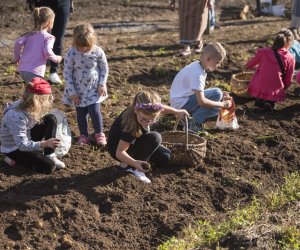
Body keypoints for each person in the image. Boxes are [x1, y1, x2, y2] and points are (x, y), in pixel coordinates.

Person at [107, 90, 189, 183]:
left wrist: (177, 111)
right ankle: (130, 167)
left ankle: (140, 158)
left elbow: (161, 108)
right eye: (144, 119)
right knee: (155, 137)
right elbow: (119, 152)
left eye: (152, 120)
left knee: (165, 157)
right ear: (135, 110)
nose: (147, 123)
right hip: (119, 150)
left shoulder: (147, 110)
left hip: (135, 142)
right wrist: (135, 163)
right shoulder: (131, 125)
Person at [0, 77, 65, 173]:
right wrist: (45, 143)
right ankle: (7, 156)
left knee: (50, 118)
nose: (49, 101)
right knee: (49, 167)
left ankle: (49, 154)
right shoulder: (16, 116)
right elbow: (22, 145)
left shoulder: (29, 105)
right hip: (15, 147)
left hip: (27, 135)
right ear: (38, 100)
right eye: (46, 99)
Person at [62, 23, 109, 146]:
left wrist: (102, 84)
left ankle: (99, 134)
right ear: (75, 41)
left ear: (92, 41)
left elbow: (104, 68)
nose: (83, 49)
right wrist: (72, 92)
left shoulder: (98, 52)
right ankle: (84, 135)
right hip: (78, 91)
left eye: (86, 46)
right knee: (81, 113)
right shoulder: (71, 53)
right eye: (80, 46)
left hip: (94, 89)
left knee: (94, 111)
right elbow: (67, 73)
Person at [170, 42, 231, 133]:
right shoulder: (197, 73)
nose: (219, 65)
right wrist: (222, 105)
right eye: (218, 62)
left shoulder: (198, 66)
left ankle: (187, 117)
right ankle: (193, 123)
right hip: (181, 103)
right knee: (216, 95)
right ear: (208, 59)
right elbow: (202, 102)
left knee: (217, 94)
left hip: (180, 100)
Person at [245, 29, 295, 111]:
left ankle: (258, 103)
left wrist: (256, 67)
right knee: (274, 85)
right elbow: (288, 79)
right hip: (275, 87)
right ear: (289, 43)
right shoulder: (290, 58)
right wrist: (282, 89)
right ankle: (270, 103)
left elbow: (249, 65)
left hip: (260, 85)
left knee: (259, 75)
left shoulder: (263, 52)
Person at [14, 7, 62, 82]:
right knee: (41, 91)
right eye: (53, 21)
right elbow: (47, 51)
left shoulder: (28, 34)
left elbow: (17, 43)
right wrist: (56, 58)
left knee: (31, 89)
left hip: (22, 70)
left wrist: (18, 58)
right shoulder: (49, 37)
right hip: (35, 72)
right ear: (49, 22)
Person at [34, 0, 70, 84]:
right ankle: (37, 72)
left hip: (63, 3)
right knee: (42, 37)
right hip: (43, 3)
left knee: (58, 37)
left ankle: (53, 72)